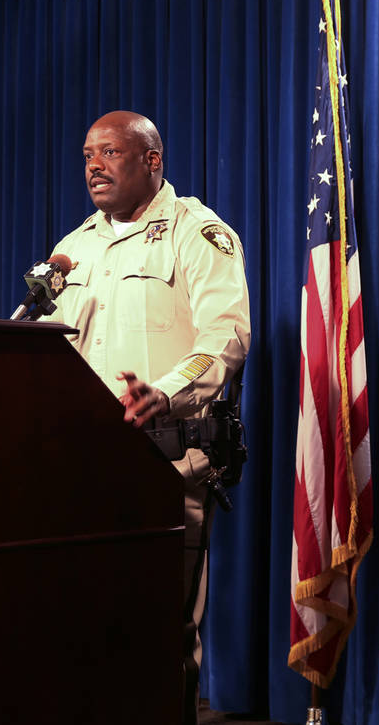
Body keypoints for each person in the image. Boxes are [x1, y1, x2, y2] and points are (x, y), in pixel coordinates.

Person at [42, 110, 250, 715]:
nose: (93, 166)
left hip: (163, 465)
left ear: (151, 160)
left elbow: (227, 338)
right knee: (78, 631)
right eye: (87, 155)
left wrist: (165, 390)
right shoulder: (74, 247)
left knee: (158, 634)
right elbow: (40, 348)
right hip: (77, 470)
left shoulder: (198, 232)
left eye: (109, 152)